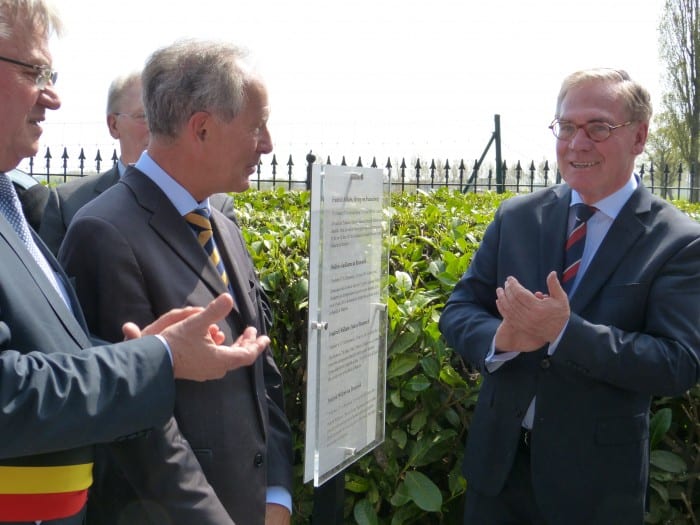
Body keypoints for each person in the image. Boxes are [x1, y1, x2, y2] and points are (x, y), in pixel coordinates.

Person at [0, 1, 271, 524]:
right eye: (35, 71)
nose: (53, 96)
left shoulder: (9, 207)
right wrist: (160, 359)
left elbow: (56, 358)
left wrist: (150, 350)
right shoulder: (102, 227)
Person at [439, 68, 700, 525]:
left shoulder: (678, 241)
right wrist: (503, 337)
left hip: (595, 490)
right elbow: (458, 310)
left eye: (598, 127)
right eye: (566, 126)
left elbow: (676, 363)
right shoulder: (516, 217)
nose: (577, 143)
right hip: (497, 476)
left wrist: (565, 332)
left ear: (638, 137)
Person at [60, 39, 293, 525]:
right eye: (256, 126)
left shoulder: (221, 226)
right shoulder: (104, 232)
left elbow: (260, 369)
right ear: (202, 128)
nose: (268, 144)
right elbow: (136, 424)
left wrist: (276, 493)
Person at [38, 71, 237, 256]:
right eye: (145, 116)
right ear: (113, 125)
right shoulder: (69, 204)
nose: (159, 126)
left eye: (167, 115)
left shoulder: (216, 207)